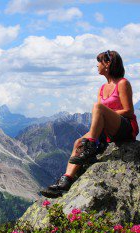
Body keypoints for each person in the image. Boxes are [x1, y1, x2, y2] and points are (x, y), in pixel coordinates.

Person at [41, 50, 139, 198]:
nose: (97, 65)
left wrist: (107, 114)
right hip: (109, 128)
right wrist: (104, 116)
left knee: (98, 108)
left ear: (107, 64)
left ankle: (91, 145)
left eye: (99, 62)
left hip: (125, 127)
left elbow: (129, 111)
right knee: (78, 142)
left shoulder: (123, 83)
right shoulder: (102, 88)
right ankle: (65, 181)